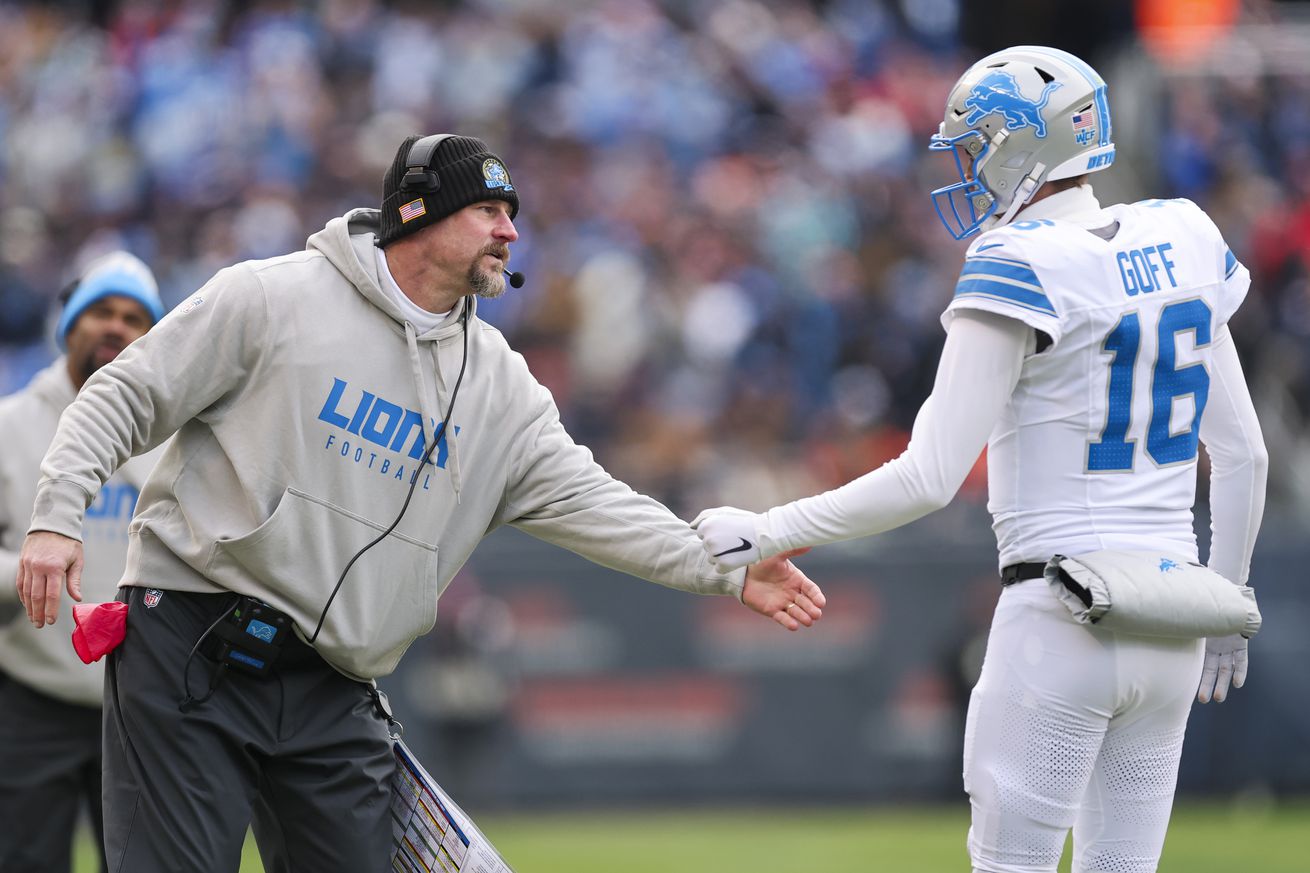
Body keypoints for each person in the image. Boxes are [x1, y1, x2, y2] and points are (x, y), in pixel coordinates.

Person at [15, 133, 825, 873]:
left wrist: (721, 569)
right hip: (190, 644)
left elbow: (594, 501)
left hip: (334, 682)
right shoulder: (271, 297)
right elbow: (125, 392)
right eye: (487, 210)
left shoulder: (501, 385)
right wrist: (55, 516)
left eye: (512, 214)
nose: (509, 231)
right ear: (417, 217)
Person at [693, 46, 1267, 873]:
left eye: (978, 142)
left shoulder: (1020, 260)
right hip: (1175, 614)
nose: (969, 164)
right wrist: (1230, 599)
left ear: (1023, 142)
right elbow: (1243, 451)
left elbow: (928, 474)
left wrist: (773, 527)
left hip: (1061, 612)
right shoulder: (1184, 234)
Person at [0, 252, 166, 873]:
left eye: (134, 318)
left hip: (141, 704)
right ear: (68, 325)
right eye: (100, 311)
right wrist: (26, 575)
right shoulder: (9, 425)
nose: (116, 327)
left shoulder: (175, 434)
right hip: (29, 695)